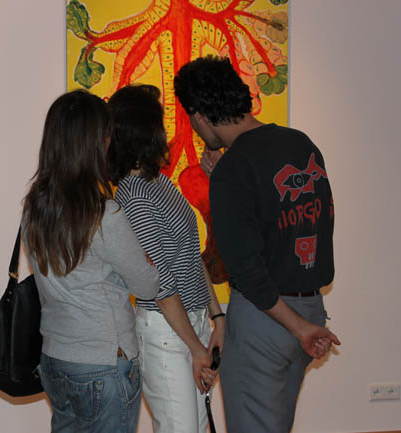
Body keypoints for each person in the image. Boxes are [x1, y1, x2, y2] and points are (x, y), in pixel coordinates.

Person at [174, 55, 340, 433]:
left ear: (199, 115)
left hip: (267, 320)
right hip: (311, 307)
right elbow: (311, 221)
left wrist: (298, 328)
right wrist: (304, 324)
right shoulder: (301, 144)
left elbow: (247, 268)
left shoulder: (234, 169)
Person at [22, 89, 160, 433]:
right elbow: (147, 285)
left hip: (56, 358)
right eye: (106, 134)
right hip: (102, 361)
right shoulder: (104, 214)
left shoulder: (34, 208)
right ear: (94, 142)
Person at [107, 84, 225, 433]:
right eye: (159, 122)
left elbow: (190, 254)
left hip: (193, 324)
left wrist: (217, 317)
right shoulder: (132, 196)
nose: (165, 130)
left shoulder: (158, 181)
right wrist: (197, 348)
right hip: (166, 333)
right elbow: (160, 284)